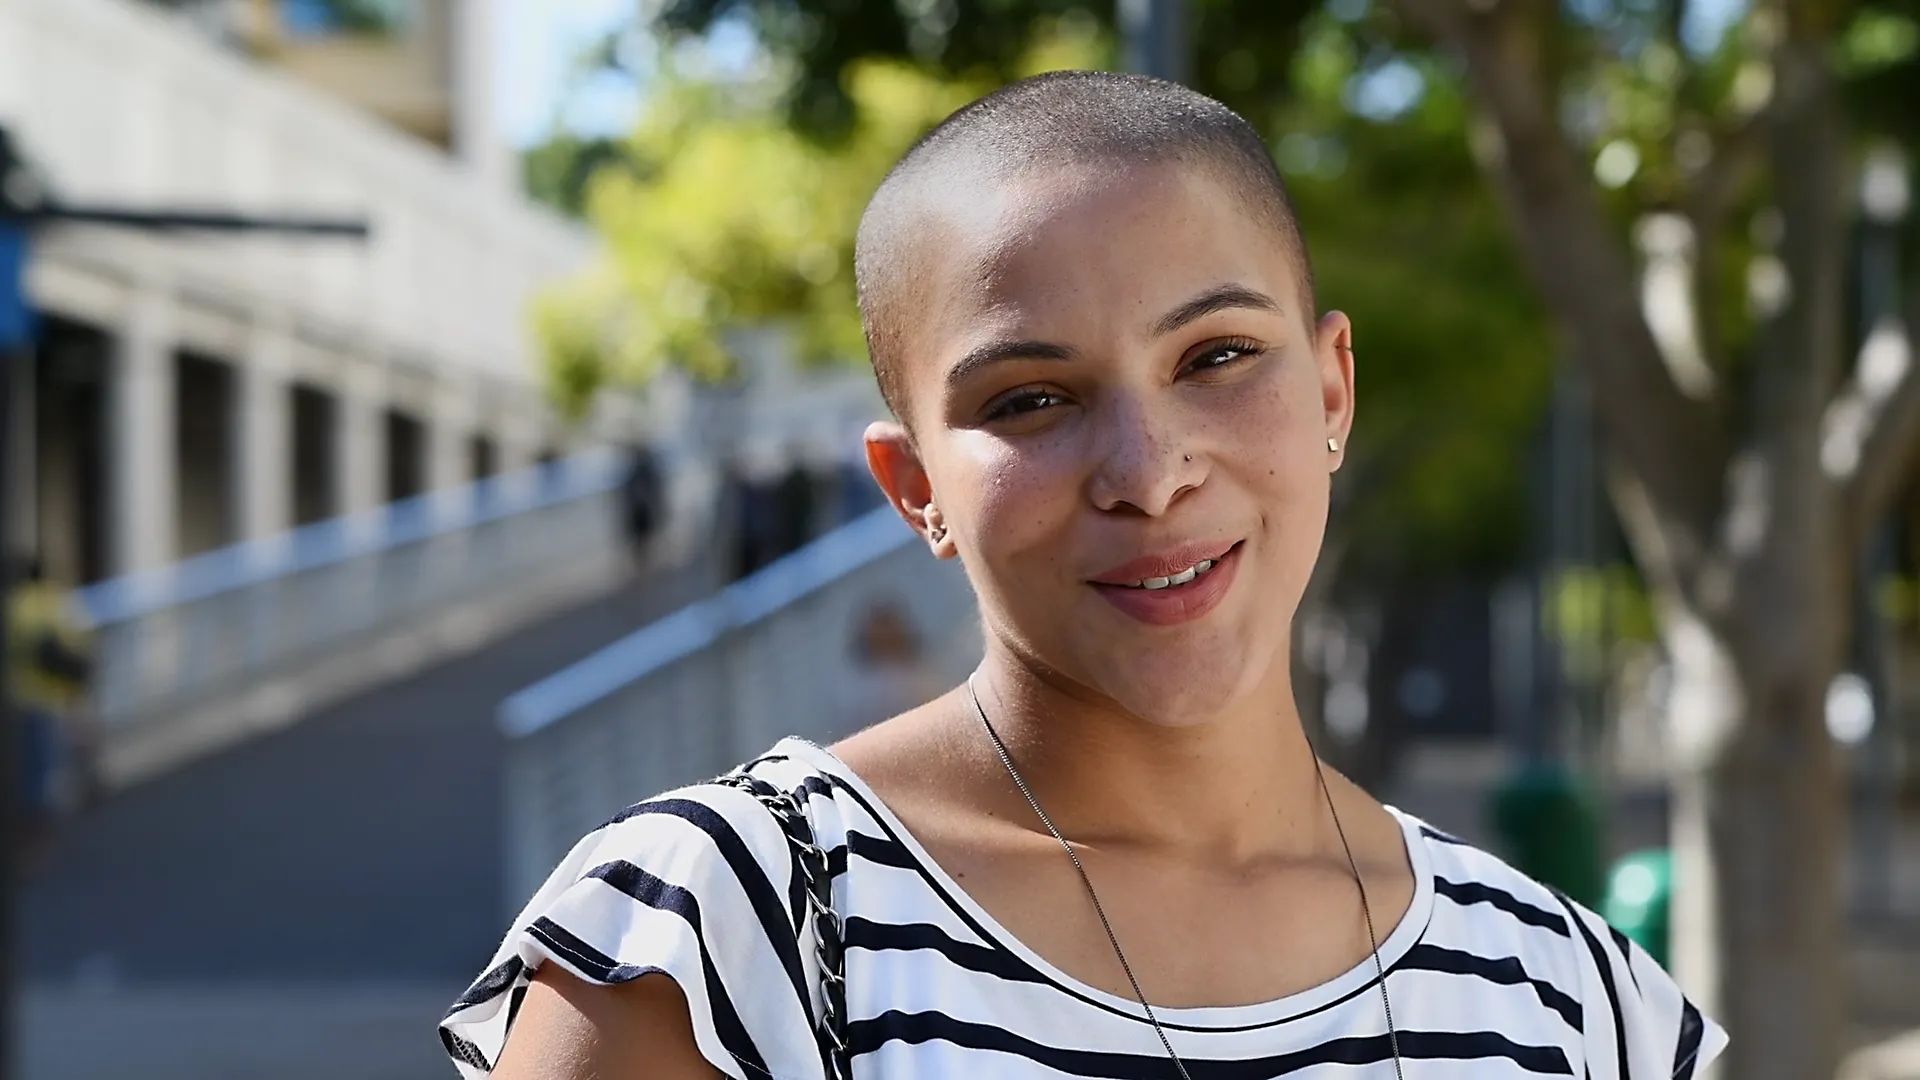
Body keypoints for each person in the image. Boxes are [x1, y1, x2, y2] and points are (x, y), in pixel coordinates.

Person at [443, 73, 1726, 1080]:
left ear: (1332, 387)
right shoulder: (729, 935)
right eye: (1035, 397)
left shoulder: (1563, 993)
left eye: (1218, 356)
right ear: (915, 489)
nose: (1149, 470)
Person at [9, 556, 94, 869]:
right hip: (57, 698)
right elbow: (80, 650)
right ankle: (40, 839)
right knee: (43, 771)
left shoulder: (18, 606)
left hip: (24, 698)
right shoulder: (58, 603)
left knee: (32, 772)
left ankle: (31, 842)